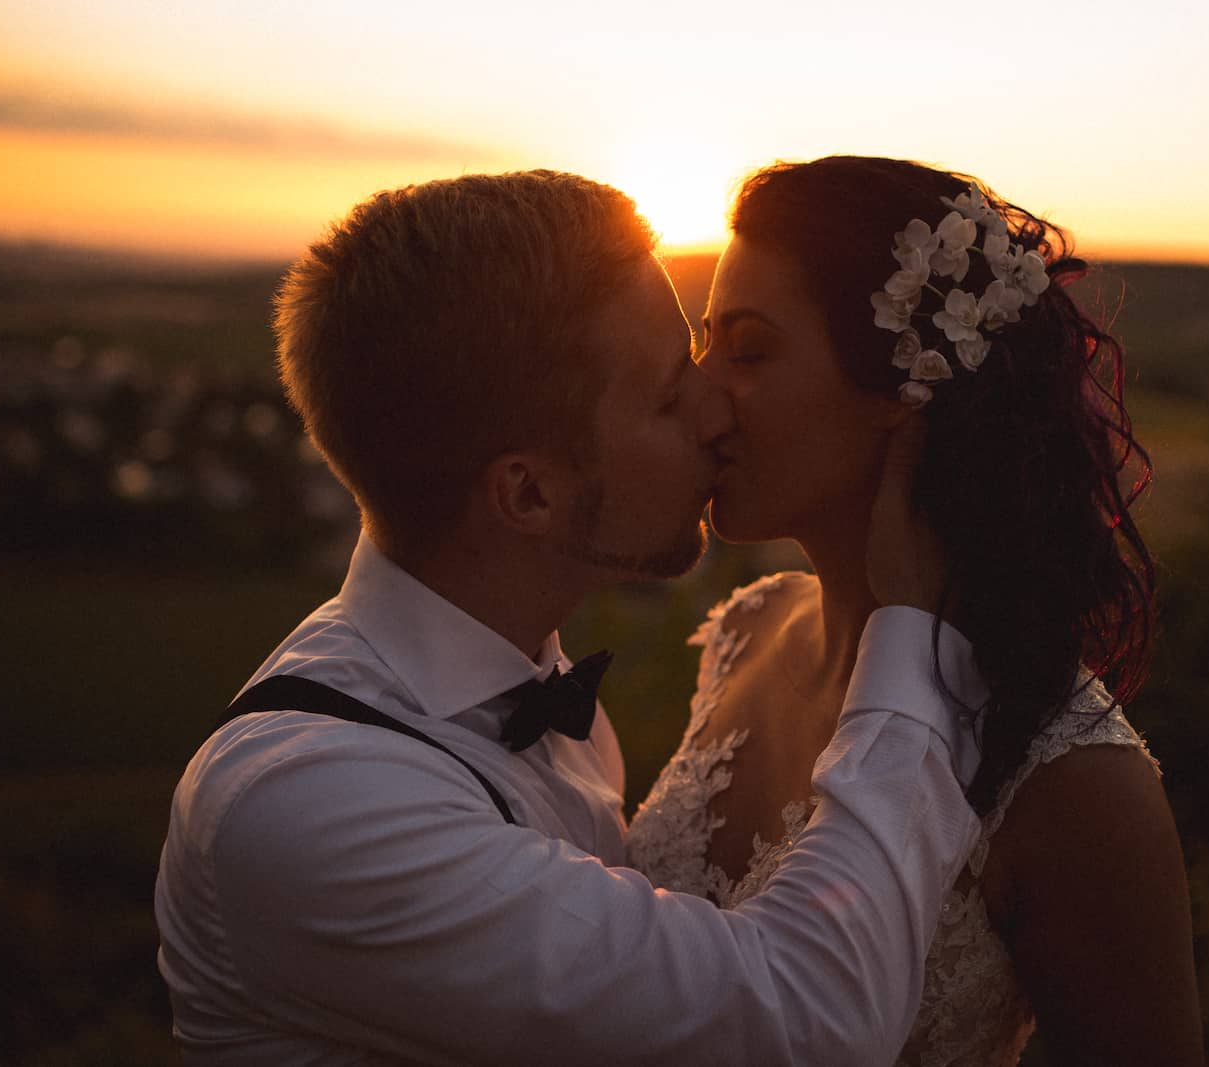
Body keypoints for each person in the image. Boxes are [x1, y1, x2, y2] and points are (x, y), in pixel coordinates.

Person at [154, 169, 990, 1066]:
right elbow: (803, 1015)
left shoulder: (547, 697)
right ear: (530, 492)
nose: (718, 410)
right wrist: (908, 629)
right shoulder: (309, 809)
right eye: (671, 395)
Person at [627, 156, 1205, 1065]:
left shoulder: (1073, 777)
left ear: (903, 388)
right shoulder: (746, 631)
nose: (702, 392)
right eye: (706, 343)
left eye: (747, 349)